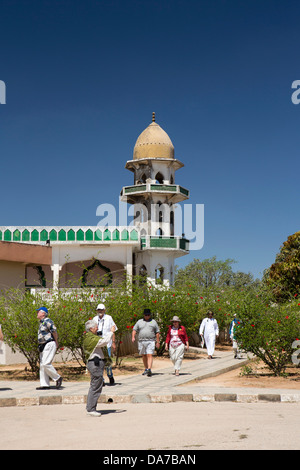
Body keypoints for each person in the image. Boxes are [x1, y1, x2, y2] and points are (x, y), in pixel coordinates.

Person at [83, 319, 116, 417]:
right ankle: (91, 409)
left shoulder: (92, 337)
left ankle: (91, 407)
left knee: (96, 384)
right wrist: (111, 332)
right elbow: (104, 342)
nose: (97, 328)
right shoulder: (90, 338)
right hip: (95, 363)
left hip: (97, 363)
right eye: (96, 327)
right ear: (91, 328)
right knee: (95, 385)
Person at [36, 307, 62, 390]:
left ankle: (57, 377)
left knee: (46, 363)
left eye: (38, 312)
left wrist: (56, 341)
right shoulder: (42, 323)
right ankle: (44, 384)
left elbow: (54, 331)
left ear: (43, 313)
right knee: (42, 365)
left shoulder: (48, 321)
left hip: (49, 343)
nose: (37, 313)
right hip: (43, 345)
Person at [93, 303, 117, 385]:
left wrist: (113, 342)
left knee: (107, 362)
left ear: (104, 310)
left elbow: (113, 330)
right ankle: (101, 380)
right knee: (99, 363)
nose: (100, 311)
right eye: (99, 310)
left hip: (107, 344)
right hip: (98, 344)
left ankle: (110, 375)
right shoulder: (95, 319)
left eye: (102, 310)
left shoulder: (109, 318)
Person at [132, 308, 160, 377]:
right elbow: (134, 329)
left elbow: (157, 332)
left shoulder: (153, 322)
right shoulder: (139, 322)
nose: (147, 316)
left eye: (148, 315)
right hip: (141, 341)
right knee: (144, 355)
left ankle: (149, 369)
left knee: (149, 354)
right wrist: (133, 336)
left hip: (151, 340)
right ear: (144, 315)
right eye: (146, 315)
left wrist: (158, 341)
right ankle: (146, 368)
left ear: (150, 315)